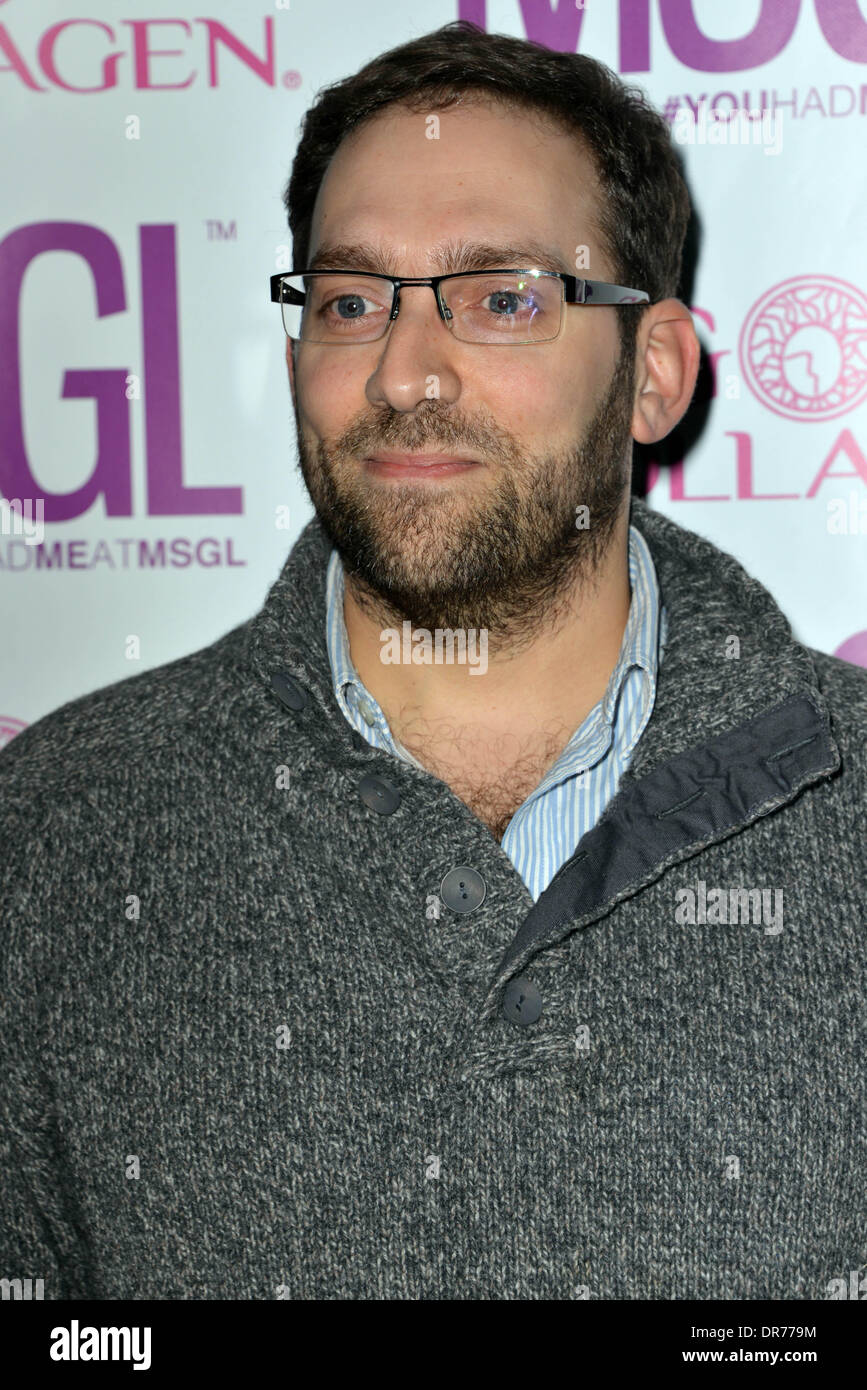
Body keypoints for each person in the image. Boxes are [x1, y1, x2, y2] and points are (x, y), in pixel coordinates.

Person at [1, 21, 865, 1301]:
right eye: (352, 301)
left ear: (655, 372)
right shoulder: (55, 834)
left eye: (504, 298)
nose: (404, 373)